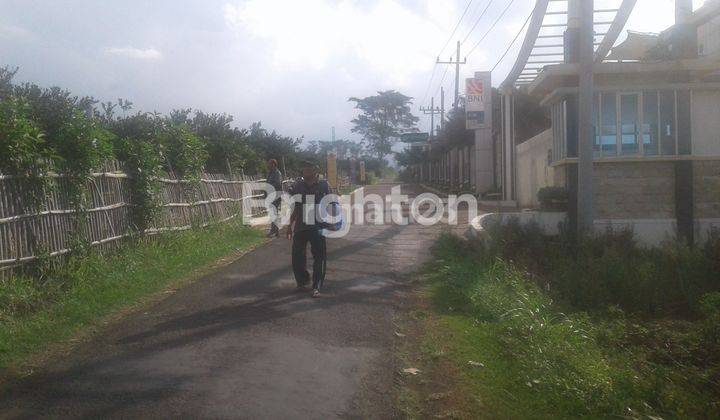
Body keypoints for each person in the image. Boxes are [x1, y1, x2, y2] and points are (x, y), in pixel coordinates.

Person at [287, 161, 329, 298]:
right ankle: (302, 281)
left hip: (318, 226)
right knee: (297, 257)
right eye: (304, 169)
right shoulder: (298, 186)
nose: (306, 171)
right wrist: (289, 225)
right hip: (301, 226)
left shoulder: (324, 185)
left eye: (309, 168)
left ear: (315, 170)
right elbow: (296, 207)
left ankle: (317, 286)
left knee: (319, 257)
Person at [266, 159, 283, 237]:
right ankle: (276, 230)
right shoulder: (270, 173)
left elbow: (278, 184)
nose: (268, 165)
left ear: (273, 164)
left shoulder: (277, 173)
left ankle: (273, 230)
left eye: (269, 164)